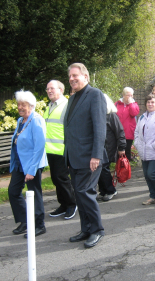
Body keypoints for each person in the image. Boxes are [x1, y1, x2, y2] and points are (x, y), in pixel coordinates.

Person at [64, 63, 106, 248]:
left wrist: (96, 155)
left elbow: (99, 128)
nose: (72, 78)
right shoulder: (72, 98)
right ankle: (86, 229)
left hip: (90, 157)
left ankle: (97, 230)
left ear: (86, 77)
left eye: (75, 75)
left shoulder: (95, 94)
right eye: (70, 76)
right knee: (79, 195)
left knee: (86, 193)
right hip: (74, 157)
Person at [8, 91, 48, 238]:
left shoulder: (37, 120)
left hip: (33, 164)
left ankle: (39, 225)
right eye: (18, 104)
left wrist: (31, 170)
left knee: (34, 193)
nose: (20, 107)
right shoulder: (20, 121)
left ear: (31, 105)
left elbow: (39, 146)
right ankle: (25, 222)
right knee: (13, 191)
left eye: (23, 105)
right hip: (19, 163)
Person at [44, 80, 77, 220]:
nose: (49, 91)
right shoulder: (49, 106)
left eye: (52, 88)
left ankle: (71, 204)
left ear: (61, 90)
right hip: (50, 149)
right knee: (55, 179)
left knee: (62, 179)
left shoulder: (66, 106)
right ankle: (63, 204)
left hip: (61, 150)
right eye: (47, 89)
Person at [134, 94, 155, 206]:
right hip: (144, 152)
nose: (150, 104)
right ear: (145, 104)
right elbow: (136, 132)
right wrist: (137, 144)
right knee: (146, 175)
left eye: (153, 102)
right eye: (148, 102)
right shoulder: (142, 118)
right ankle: (152, 196)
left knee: (152, 174)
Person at [97, 94, 126, 201]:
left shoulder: (111, 115)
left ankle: (111, 190)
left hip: (109, 147)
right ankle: (103, 190)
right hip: (99, 147)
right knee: (99, 169)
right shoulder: (98, 115)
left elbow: (120, 132)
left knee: (103, 168)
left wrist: (121, 148)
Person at [115, 87, 140, 161]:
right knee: (118, 152)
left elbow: (134, 113)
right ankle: (119, 169)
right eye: (128, 95)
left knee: (127, 151)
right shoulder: (117, 104)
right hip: (118, 132)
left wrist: (131, 104)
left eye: (131, 95)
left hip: (128, 132)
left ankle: (127, 169)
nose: (130, 97)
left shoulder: (134, 104)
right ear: (123, 95)